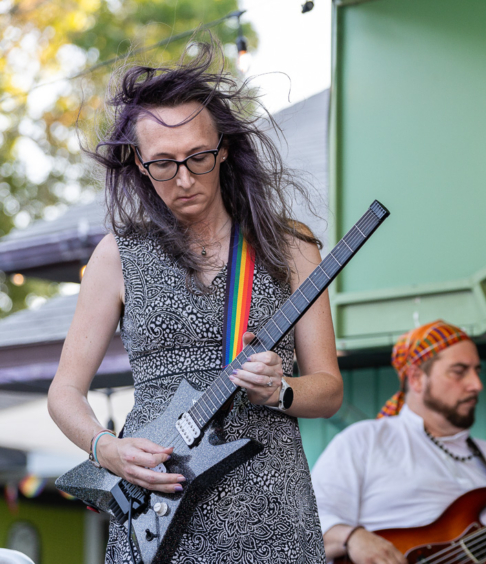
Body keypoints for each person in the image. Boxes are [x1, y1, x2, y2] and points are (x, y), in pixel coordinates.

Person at [47, 42, 341, 563]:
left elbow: (329, 389)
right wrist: (106, 448)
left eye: (198, 157)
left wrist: (281, 390)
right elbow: (64, 392)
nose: (184, 179)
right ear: (138, 164)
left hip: (270, 507)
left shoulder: (289, 244)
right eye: (162, 164)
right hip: (156, 510)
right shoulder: (117, 255)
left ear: (223, 149)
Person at [311, 320, 486, 564]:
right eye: (459, 371)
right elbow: (305, 524)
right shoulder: (364, 441)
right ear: (416, 378)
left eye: (477, 371)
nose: (476, 385)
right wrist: (352, 538)